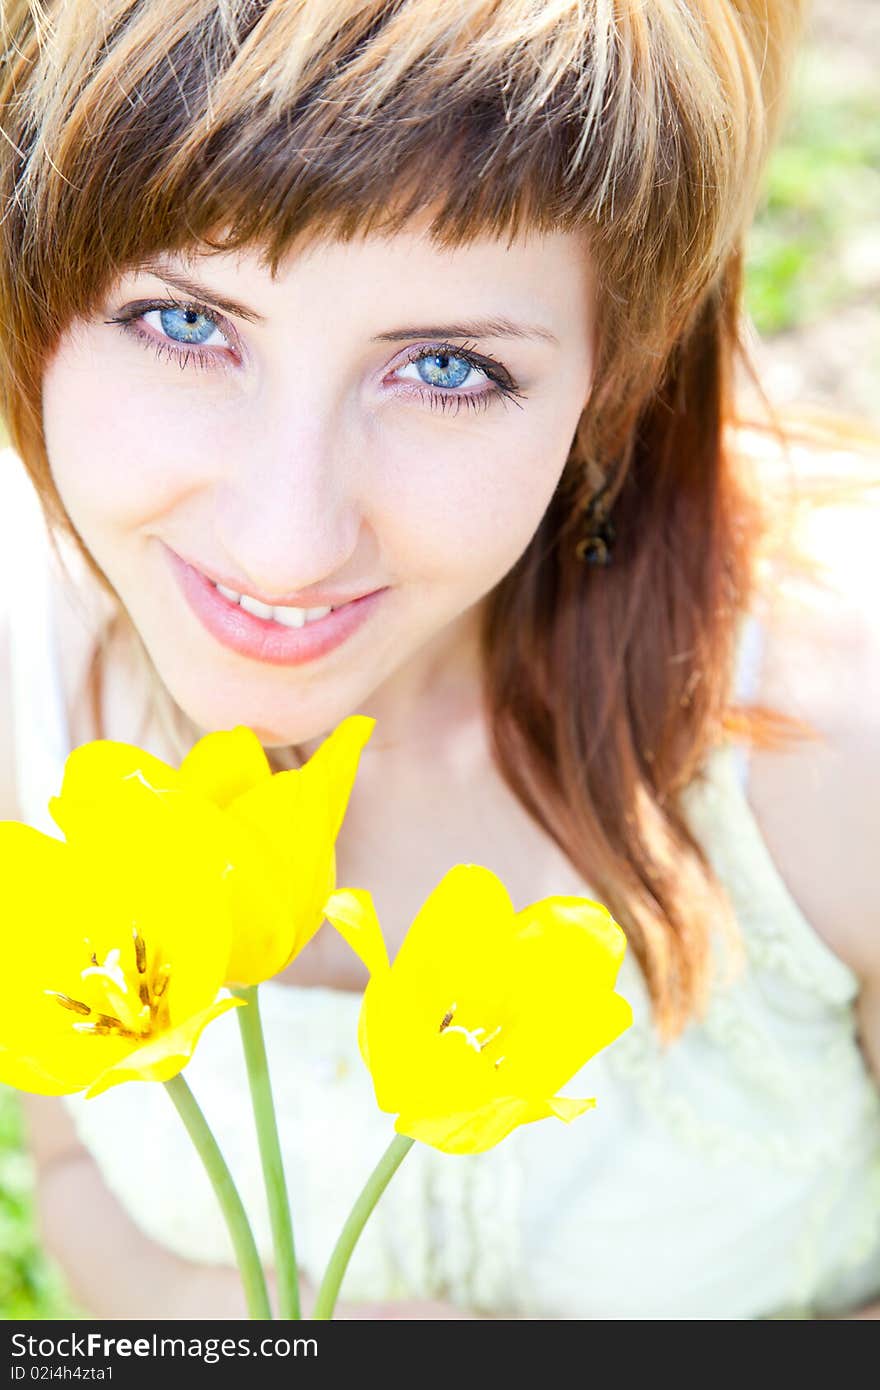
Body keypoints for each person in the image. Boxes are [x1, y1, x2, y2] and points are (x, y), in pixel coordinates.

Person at [1, 0, 878, 1321]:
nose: (285, 541)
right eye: (185, 324)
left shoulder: (831, 738)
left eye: (450, 364)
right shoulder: (29, 651)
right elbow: (73, 1173)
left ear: (611, 380)